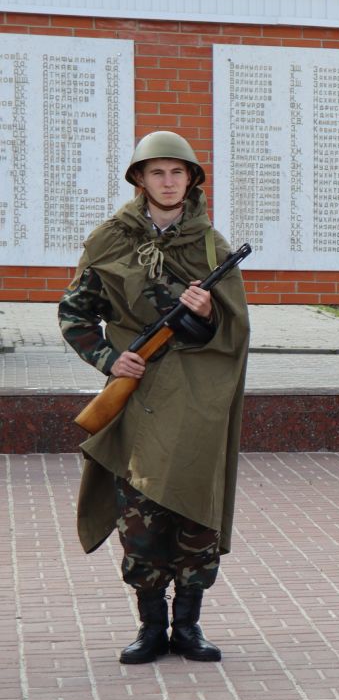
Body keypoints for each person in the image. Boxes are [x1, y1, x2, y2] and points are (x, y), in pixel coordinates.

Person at [61, 130, 250, 665]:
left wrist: (208, 314)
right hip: (137, 397)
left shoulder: (213, 246)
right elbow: (74, 314)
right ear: (139, 180)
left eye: (178, 172)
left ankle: (188, 625)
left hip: (196, 402)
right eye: (157, 172)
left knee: (195, 515)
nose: (168, 182)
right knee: (139, 516)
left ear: (191, 180)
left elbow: (235, 332)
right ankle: (150, 627)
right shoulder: (109, 240)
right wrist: (107, 360)